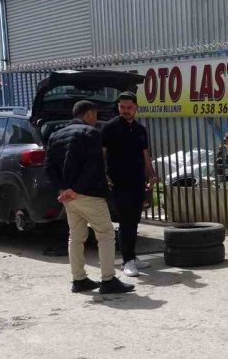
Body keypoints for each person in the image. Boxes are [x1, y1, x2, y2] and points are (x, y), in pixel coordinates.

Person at [46, 100, 135, 295]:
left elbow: (49, 167)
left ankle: (79, 279)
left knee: (76, 237)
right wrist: (76, 189)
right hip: (88, 194)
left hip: (68, 197)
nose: (96, 119)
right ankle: (108, 279)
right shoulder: (90, 133)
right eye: (95, 115)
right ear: (88, 114)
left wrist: (63, 189)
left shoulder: (55, 135)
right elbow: (93, 167)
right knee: (106, 234)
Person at [102, 91, 157, 277]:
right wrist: (104, 176)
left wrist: (151, 174)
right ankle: (127, 261)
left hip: (137, 181)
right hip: (119, 182)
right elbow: (102, 154)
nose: (126, 111)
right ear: (118, 107)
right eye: (122, 107)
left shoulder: (141, 130)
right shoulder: (110, 128)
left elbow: (145, 154)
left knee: (134, 219)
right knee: (125, 220)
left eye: (129, 107)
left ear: (136, 108)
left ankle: (133, 256)